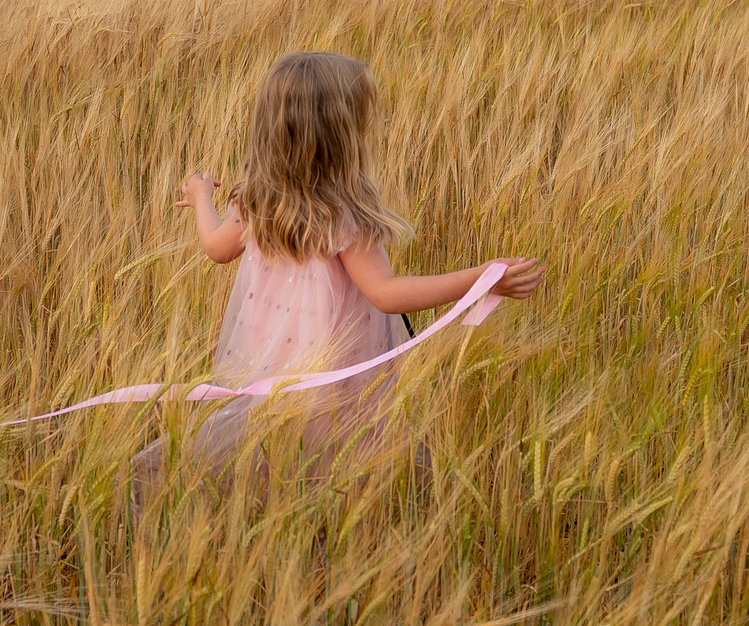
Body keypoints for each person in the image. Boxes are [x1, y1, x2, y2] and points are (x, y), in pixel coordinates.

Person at [137, 50, 545, 496]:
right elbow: (385, 294)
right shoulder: (342, 215)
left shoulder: (255, 199)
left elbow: (215, 248)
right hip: (330, 369)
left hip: (263, 361)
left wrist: (201, 197)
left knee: (270, 458)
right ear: (341, 136)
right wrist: (479, 277)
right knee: (334, 470)